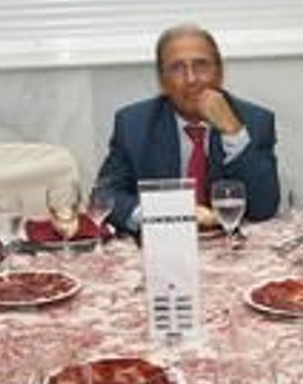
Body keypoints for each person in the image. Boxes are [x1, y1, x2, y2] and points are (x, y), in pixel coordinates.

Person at [95, 22, 279, 232]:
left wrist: (233, 131)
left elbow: (264, 208)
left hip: (233, 252)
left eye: (201, 65)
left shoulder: (255, 121)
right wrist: (165, 214)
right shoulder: (133, 124)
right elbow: (103, 196)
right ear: (162, 80)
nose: (191, 79)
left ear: (219, 72)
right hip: (163, 247)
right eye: (177, 68)